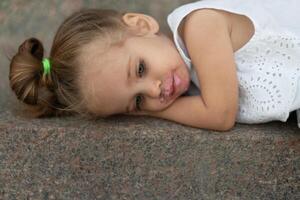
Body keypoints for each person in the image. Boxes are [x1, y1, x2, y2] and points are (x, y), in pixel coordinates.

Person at [8, 0, 300, 131]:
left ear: (141, 24)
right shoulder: (191, 73)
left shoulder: (200, 27)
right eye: (137, 101)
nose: (154, 90)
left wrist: (154, 111)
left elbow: (221, 114)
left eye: (140, 69)